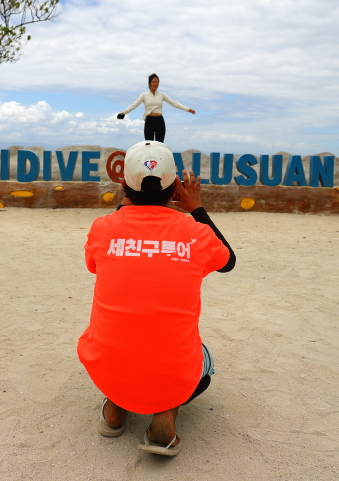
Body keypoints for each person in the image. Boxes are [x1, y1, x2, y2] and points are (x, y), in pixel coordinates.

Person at [77, 140, 236, 456]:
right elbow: (228, 261)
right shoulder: (196, 233)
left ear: (124, 186)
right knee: (204, 359)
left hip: (106, 369)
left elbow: (94, 263)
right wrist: (196, 208)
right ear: (176, 187)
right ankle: (165, 413)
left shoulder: (103, 228)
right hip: (174, 374)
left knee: (109, 340)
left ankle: (115, 409)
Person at [117, 73, 196, 143]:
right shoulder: (144, 95)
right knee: (149, 146)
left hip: (159, 122)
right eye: (153, 82)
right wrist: (123, 112)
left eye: (157, 82)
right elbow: (134, 105)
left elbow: (173, 102)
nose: (155, 84)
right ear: (149, 83)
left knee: (159, 146)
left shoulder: (161, 94)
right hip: (149, 121)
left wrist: (187, 109)